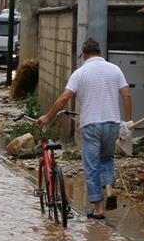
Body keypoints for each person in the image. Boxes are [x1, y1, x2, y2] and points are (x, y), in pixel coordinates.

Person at [36, 38, 132, 220]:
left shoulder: (80, 73)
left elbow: (64, 98)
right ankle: (110, 192)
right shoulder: (115, 69)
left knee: (92, 167)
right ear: (100, 53)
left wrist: (48, 117)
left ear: (84, 54)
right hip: (112, 124)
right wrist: (127, 121)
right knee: (107, 159)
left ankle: (98, 208)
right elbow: (127, 94)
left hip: (91, 126)